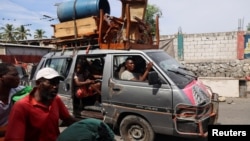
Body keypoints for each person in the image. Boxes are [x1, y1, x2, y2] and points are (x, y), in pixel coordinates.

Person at [4, 67, 78, 141]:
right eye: (51, 83)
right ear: (38, 83)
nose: (55, 87)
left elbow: (68, 119)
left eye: (57, 83)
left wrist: (87, 124)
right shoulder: (22, 106)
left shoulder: (56, 100)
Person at [0, 63, 26, 141]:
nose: (18, 78)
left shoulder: (20, 91)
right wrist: (16, 128)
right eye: (14, 75)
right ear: (1, 77)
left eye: (18, 75)